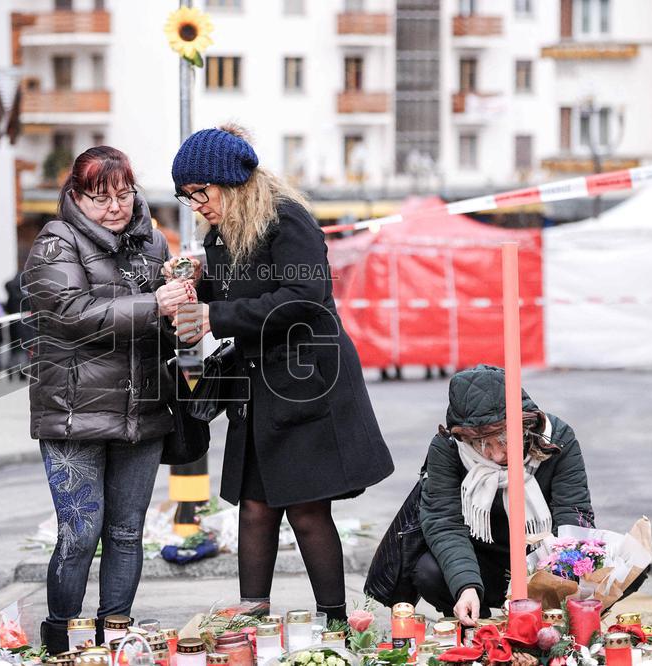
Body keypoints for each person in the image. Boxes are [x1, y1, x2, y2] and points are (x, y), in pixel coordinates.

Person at [168, 124, 394, 622]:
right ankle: (252, 615)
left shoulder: (287, 219)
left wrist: (214, 316)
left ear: (230, 181)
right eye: (187, 196)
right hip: (257, 380)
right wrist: (194, 289)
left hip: (306, 380)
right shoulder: (222, 233)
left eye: (200, 192)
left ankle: (334, 622)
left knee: (307, 508)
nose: (197, 205)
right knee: (254, 504)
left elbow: (302, 298)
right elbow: (234, 295)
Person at [23, 146, 188, 652]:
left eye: (123, 194)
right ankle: (62, 639)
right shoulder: (56, 242)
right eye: (100, 198)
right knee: (80, 532)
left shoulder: (153, 241)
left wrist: (180, 306)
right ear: (76, 197)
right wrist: (153, 303)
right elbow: (70, 314)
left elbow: (160, 330)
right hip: (74, 411)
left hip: (142, 410)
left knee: (127, 532)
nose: (115, 207)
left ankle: (116, 637)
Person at [414, 364, 594, 624]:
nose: (497, 455)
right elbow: (444, 522)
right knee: (428, 571)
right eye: (481, 444)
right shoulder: (448, 448)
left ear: (525, 425)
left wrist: (554, 579)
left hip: (541, 559)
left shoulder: (557, 438)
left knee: (609, 564)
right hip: (481, 562)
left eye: (505, 440)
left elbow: (573, 514)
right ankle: (474, 620)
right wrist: (466, 586)